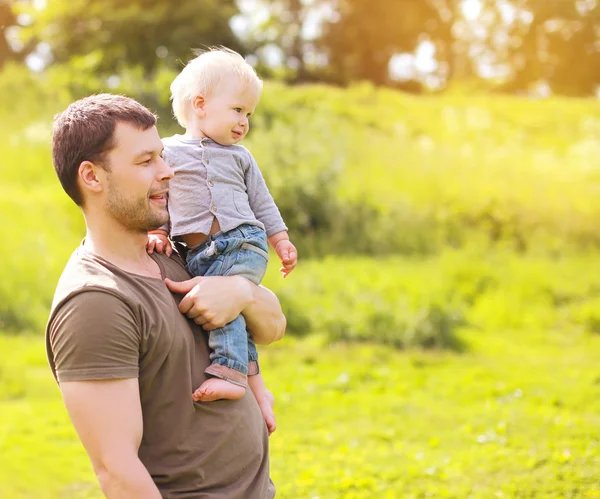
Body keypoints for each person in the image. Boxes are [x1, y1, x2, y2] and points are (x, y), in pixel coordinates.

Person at [46, 93, 285, 498]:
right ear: (92, 177)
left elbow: (274, 325)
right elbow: (117, 471)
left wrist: (241, 291)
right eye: (145, 162)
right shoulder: (95, 303)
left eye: (162, 155)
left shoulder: (177, 252)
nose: (168, 171)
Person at [146, 48, 297, 420]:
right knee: (233, 312)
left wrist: (281, 240)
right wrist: (160, 232)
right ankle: (259, 389)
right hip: (198, 253)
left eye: (249, 114)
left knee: (223, 305)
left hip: (241, 241)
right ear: (200, 104)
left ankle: (229, 373)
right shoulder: (168, 152)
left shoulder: (241, 157)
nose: (244, 121)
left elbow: (263, 203)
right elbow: (162, 198)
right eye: (237, 110)